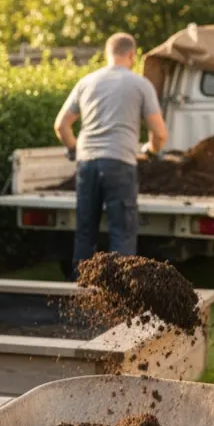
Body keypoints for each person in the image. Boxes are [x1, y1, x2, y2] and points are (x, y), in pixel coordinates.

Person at [54, 32, 168, 277]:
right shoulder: (140, 84)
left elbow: (61, 125)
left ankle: (81, 293)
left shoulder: (87, 82)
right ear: (131, 55)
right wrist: (150, 150)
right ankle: (119, 297)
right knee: (122, 232)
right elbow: (159, 133)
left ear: (107, 54)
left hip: (87, 164)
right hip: (120, 163)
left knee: (85, 231)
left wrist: (76, 149)